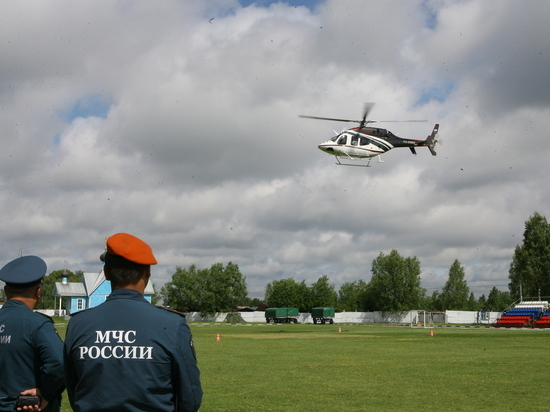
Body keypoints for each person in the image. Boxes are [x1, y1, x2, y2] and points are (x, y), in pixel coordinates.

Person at [64, 233, 203, 412]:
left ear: (106, 272)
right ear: (148, 272)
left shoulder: (79, 323)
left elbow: (73, 387)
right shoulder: (172, 324)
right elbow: (190, 395)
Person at [0, 256, 65, 412]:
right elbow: (60, 362)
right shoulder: (37, 324)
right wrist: (46, 393)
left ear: (6, 291)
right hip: (26, 406)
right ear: (38, 292)